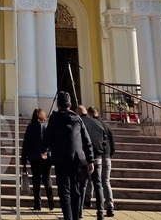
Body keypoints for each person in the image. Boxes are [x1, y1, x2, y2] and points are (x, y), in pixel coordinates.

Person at [43, 91, 94, 220]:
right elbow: (86, 140)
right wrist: (90, 160)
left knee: (64, 191)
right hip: (77, 159)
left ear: (58, 104)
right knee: (75, 190)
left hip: (61, 159)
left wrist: (42, 150)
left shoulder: (55, 119)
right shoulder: (77, 119)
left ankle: (68, 218)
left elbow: (47, 137)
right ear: (70, 104)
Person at [21, 108, 54, 212]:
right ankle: (50, 200)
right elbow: (51, 142)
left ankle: (37, 204)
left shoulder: (30, 127)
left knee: (36, 180)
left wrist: (24, 159)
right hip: (46, 156)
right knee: (47, 178)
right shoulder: (47, 126)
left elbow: (26, 144)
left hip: (34, 157)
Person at [84, 106, 115, 217]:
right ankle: (110, 205)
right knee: (106, 181)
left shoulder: (91, 124)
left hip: (97, 156)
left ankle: (88, 200)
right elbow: (112, 142)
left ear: (90, 114)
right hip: (107, 156)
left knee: (93, 180)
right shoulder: (106, 124)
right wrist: (109, 154)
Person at [79, 105, 108, 219]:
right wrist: (100, 149)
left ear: (78, 113)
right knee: (98, 185)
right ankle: (100, 212)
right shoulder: (97, 123)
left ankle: (80, 210)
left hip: (85, 158)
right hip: (98, 158)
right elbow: (104, 137)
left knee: (83, 185)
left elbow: (81, 140)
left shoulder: (80, 122)